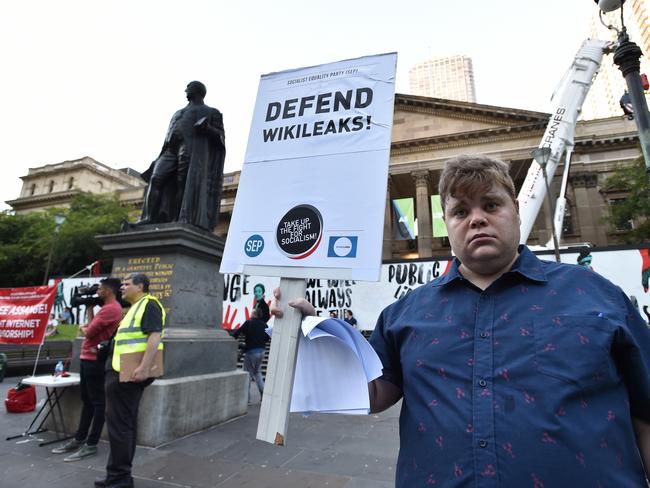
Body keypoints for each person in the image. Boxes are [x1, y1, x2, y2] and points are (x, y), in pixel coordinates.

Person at [275, 154, 650, 486]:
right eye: (461, 212)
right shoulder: (405, 314)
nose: (477, 220)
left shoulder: (595, 294)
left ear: (516, 210)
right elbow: (370, 395)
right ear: (446, 223)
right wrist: (309, 332)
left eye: (491, 205)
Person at [95, 273, 164, 488]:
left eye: (126, 284)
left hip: (128, 374)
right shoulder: (135, 307)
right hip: (122, 371)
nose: (122, 288)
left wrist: (144, 368)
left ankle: (120, 478)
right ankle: (116, 475)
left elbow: (155, 335)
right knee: (123, 426)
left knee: (120, 427)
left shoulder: (149, 304)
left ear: (140, 286)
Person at [137, 81, 226, 230]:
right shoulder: (178, 112)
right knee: (156, 178)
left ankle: (178, 218)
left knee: (183, 186)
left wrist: (207, 128)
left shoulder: (211, 112)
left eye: (188, 87)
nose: (185, 90)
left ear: (197, 90)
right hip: (170, 151)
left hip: (191, 149)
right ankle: (149, 218)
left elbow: (220, 137)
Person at [51, 278, 122, 462]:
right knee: (88, 401)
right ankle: (79, 438)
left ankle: (91, 444)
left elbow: (89, 333)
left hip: (95, 360)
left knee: (98, 403)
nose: (97, 290)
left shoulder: (111, 309)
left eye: (100, 287)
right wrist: (90, 310)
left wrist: (85, 328)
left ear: (108, 290)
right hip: (87, 358)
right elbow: (90, 328)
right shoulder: (104, 308)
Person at [233, 309, 269, 402]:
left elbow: (237, 333)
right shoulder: (264, 324)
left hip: (251, 352)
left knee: (247, 373)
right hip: (261, 351)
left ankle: (246, 399)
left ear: (254, 314)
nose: (250, 314)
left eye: (252, 312)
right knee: (257, 372)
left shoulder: (249, 323)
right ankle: (264, 394)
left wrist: (234, 340)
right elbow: (267, 337)